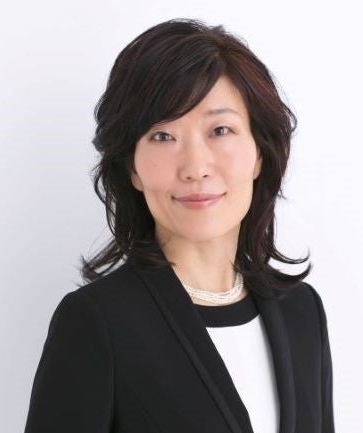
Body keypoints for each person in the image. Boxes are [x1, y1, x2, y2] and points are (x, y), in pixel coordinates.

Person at [23, 18, 335, 433]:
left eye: (220, 130)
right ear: (132, 168)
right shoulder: (97, 323)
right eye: (163, 136)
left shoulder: (302, 311)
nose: (195, 167)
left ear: (260, 154)